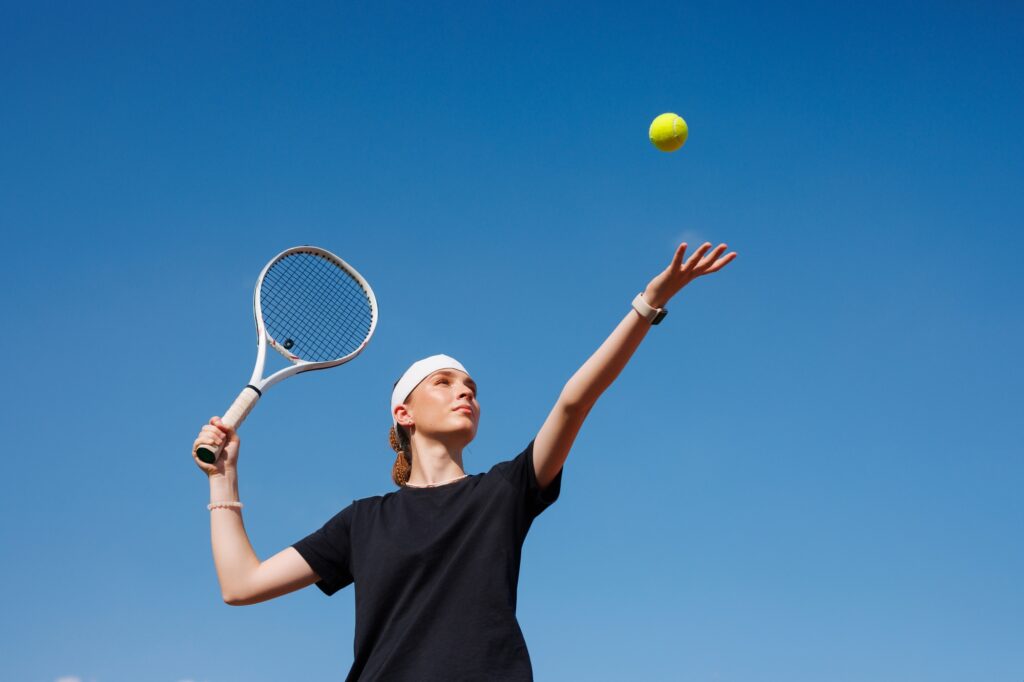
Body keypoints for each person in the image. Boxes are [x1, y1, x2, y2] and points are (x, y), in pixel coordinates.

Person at [191, 241, 737, 681]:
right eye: (446, 382)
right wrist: (224, 479)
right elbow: (241, 584)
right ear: (404, 412)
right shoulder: (362, 522)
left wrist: (647, 304)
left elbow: (574, 401)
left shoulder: (503, 491)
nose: (465, 392)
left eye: (471, 385)